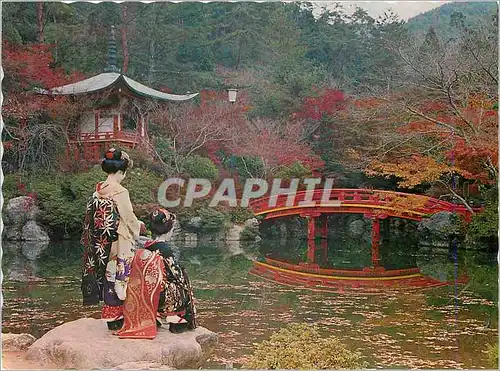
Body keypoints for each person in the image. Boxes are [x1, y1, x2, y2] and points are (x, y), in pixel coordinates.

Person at [81, 148, 146, 330]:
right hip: (119, 239)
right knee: (121, 276)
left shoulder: (98, 189)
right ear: (120, 172)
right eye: (124, 173)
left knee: (108, 273)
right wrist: (137, 228)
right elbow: (128, 216)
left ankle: (110, 316)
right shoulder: (120, 191)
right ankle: (120, 316)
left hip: (102, 241)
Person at [116, 208, 197, 339]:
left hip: (145, 293)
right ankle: (175, 318)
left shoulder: (146, 245)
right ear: (170, 230)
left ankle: (156, 315)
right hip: (161, 295)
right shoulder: (165, 249)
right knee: (181, 283)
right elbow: (176, 275)